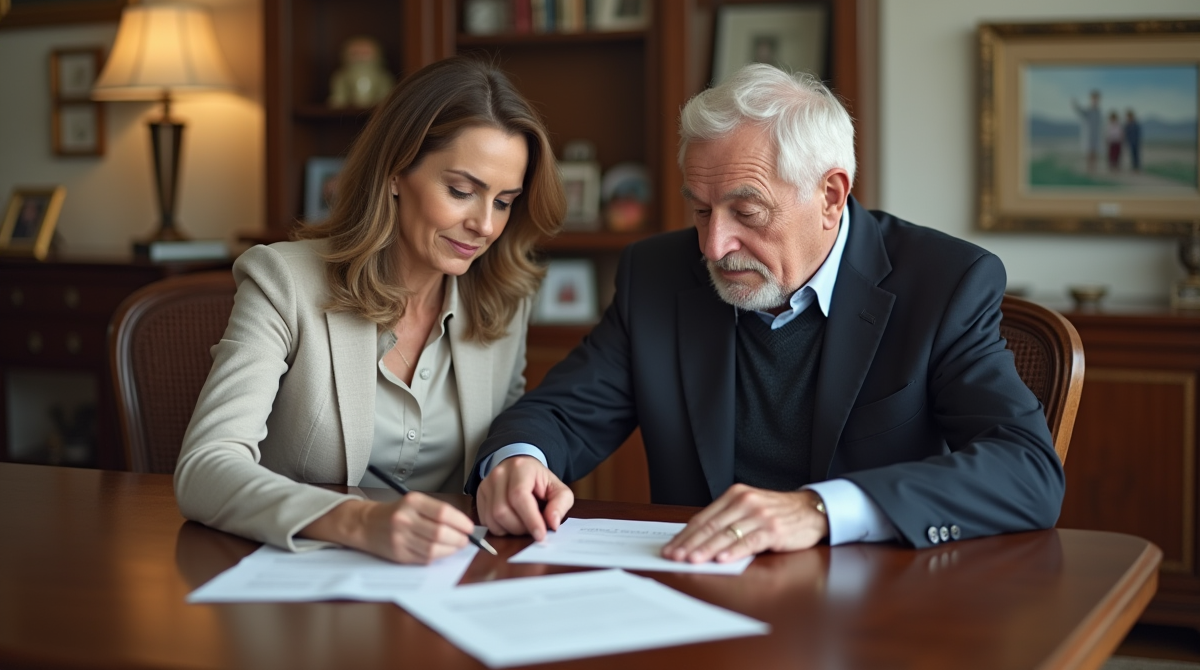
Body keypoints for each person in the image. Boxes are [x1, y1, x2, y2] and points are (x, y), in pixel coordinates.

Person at [470, 63, 1064, 562]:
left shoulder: (943, 282)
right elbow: (563, 413)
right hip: (695, 592)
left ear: (830, 195)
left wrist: (818, 510)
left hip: (875, 605)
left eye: (747, 212)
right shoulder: (656, 275)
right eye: (701, 210)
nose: (713, 247)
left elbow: (1027, 471)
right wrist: (520, 460)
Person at [175, 56, 566, 563]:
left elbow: (501, 443)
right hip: (299, 574)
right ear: (396, 172)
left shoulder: (504, 300)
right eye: (461, 191)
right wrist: (357, 522)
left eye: (504, 201)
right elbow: (204, 467)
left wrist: (514, 474)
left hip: (446, 576)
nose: (485, 225)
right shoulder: (283, 281)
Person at [1073, 91, 1102, 174]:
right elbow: (1081, 111)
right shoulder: (1088, 110)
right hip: (1088, 135)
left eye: (1097, 99)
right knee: (1089, 152)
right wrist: (1076, 105)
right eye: (1094, 99)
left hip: (1096, 135)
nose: (1095, 101)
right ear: (1091, 99)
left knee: (1095, 152)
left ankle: (1094, 169)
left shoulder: (1098, 111)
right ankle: (1089, 169)